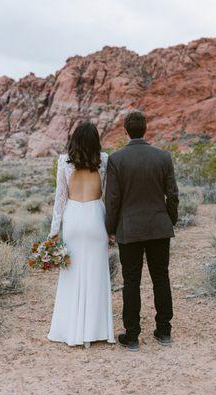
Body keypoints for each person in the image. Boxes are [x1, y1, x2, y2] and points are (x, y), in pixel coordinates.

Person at [105, 110, 179, 352]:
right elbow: (173, 194)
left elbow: (113, 199)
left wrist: (110, 228)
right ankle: (164, 330)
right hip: (159, 226)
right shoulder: (163, 157)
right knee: (161, 277)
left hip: (129, 229)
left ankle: (133, 335)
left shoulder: (117, 159)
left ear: (125, 131)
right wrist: (170, 220)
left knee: (131, 280)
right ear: (146, 129)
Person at [47, 121, 115, 348]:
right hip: (96, 216)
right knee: (97, 273)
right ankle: (96, 330)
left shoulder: (64, 162)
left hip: (73, 217)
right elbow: (109, 196)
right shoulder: (104, 160)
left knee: (72, 275)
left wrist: (54, 232)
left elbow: (59, 200)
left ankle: (71, 329)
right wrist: (112, 227)